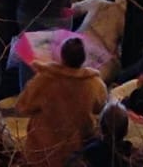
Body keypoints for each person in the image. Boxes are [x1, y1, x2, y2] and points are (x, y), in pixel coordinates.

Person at [18, 36, 107, 167]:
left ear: (62, 56)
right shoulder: (94, 83)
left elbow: (23, 106)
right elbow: (101, 106)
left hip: (42, 152)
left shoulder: (44, 79)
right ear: (83, 58)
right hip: (77, 151)